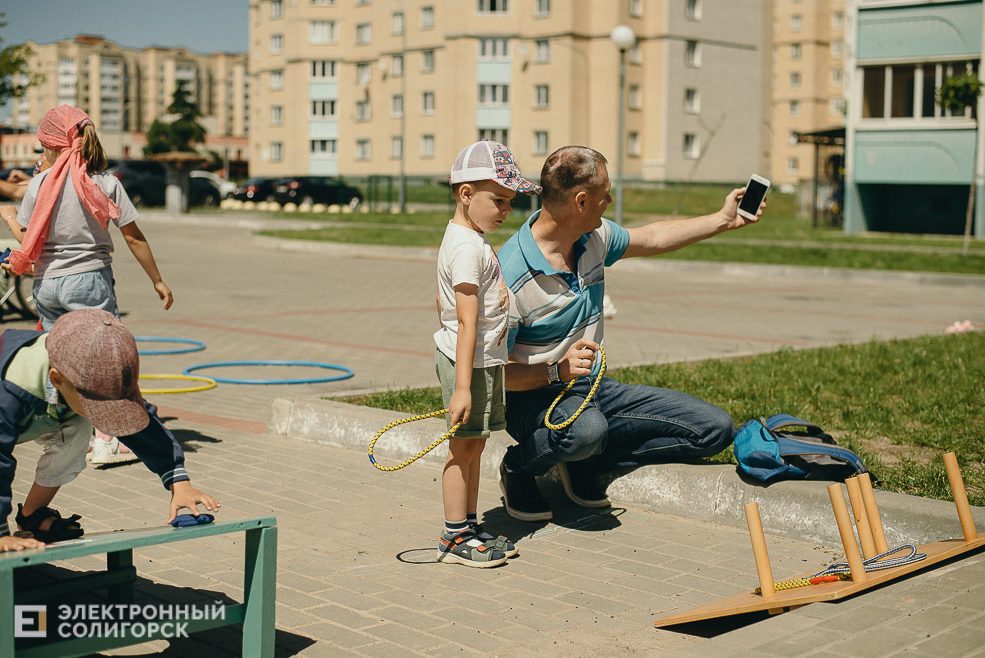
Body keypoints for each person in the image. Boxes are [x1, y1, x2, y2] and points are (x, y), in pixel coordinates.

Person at [497, 146, 765, 521]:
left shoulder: (593, 237)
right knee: (586, 430)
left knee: (713, 430)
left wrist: (723, 219)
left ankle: (582, 461)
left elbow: (653, 237)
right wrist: (555, 370)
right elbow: (494, 376)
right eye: (605, 193)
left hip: (591, 389)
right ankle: (519, 468)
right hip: (533, 398)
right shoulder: (509, 276)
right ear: (580, 201)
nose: (609, 200)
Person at [3, 106, 174, 464]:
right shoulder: (106, 183)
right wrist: (157, 280)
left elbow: (26, 237)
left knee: (57, 355)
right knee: (103, 356)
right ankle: (106, 440)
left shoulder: (38, 185)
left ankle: (58, 427)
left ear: (50, 146)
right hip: (89, 280)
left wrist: (7, 216)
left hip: (46, 284)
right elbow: (135, 238)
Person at [0, 308, 219, 553]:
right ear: (57, 379)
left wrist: (179, 482)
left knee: (78, 427)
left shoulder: (82, 376)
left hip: (44, 410)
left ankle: (31, 515)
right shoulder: (9, 388)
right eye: (97, 405)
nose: (105, 415)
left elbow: (143, 428)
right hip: (14, 406)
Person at [433, 140, 541, 567]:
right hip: (469, 367)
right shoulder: (464, 248)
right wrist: (462, 388)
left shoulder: (471, 239)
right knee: (463, 448)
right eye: (497, 200)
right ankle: (454, 536)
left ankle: (469, 525)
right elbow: (464, 321)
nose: (505, 210)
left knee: (475, 445)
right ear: (465, 194)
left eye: (510, 203)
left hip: (483, 363)